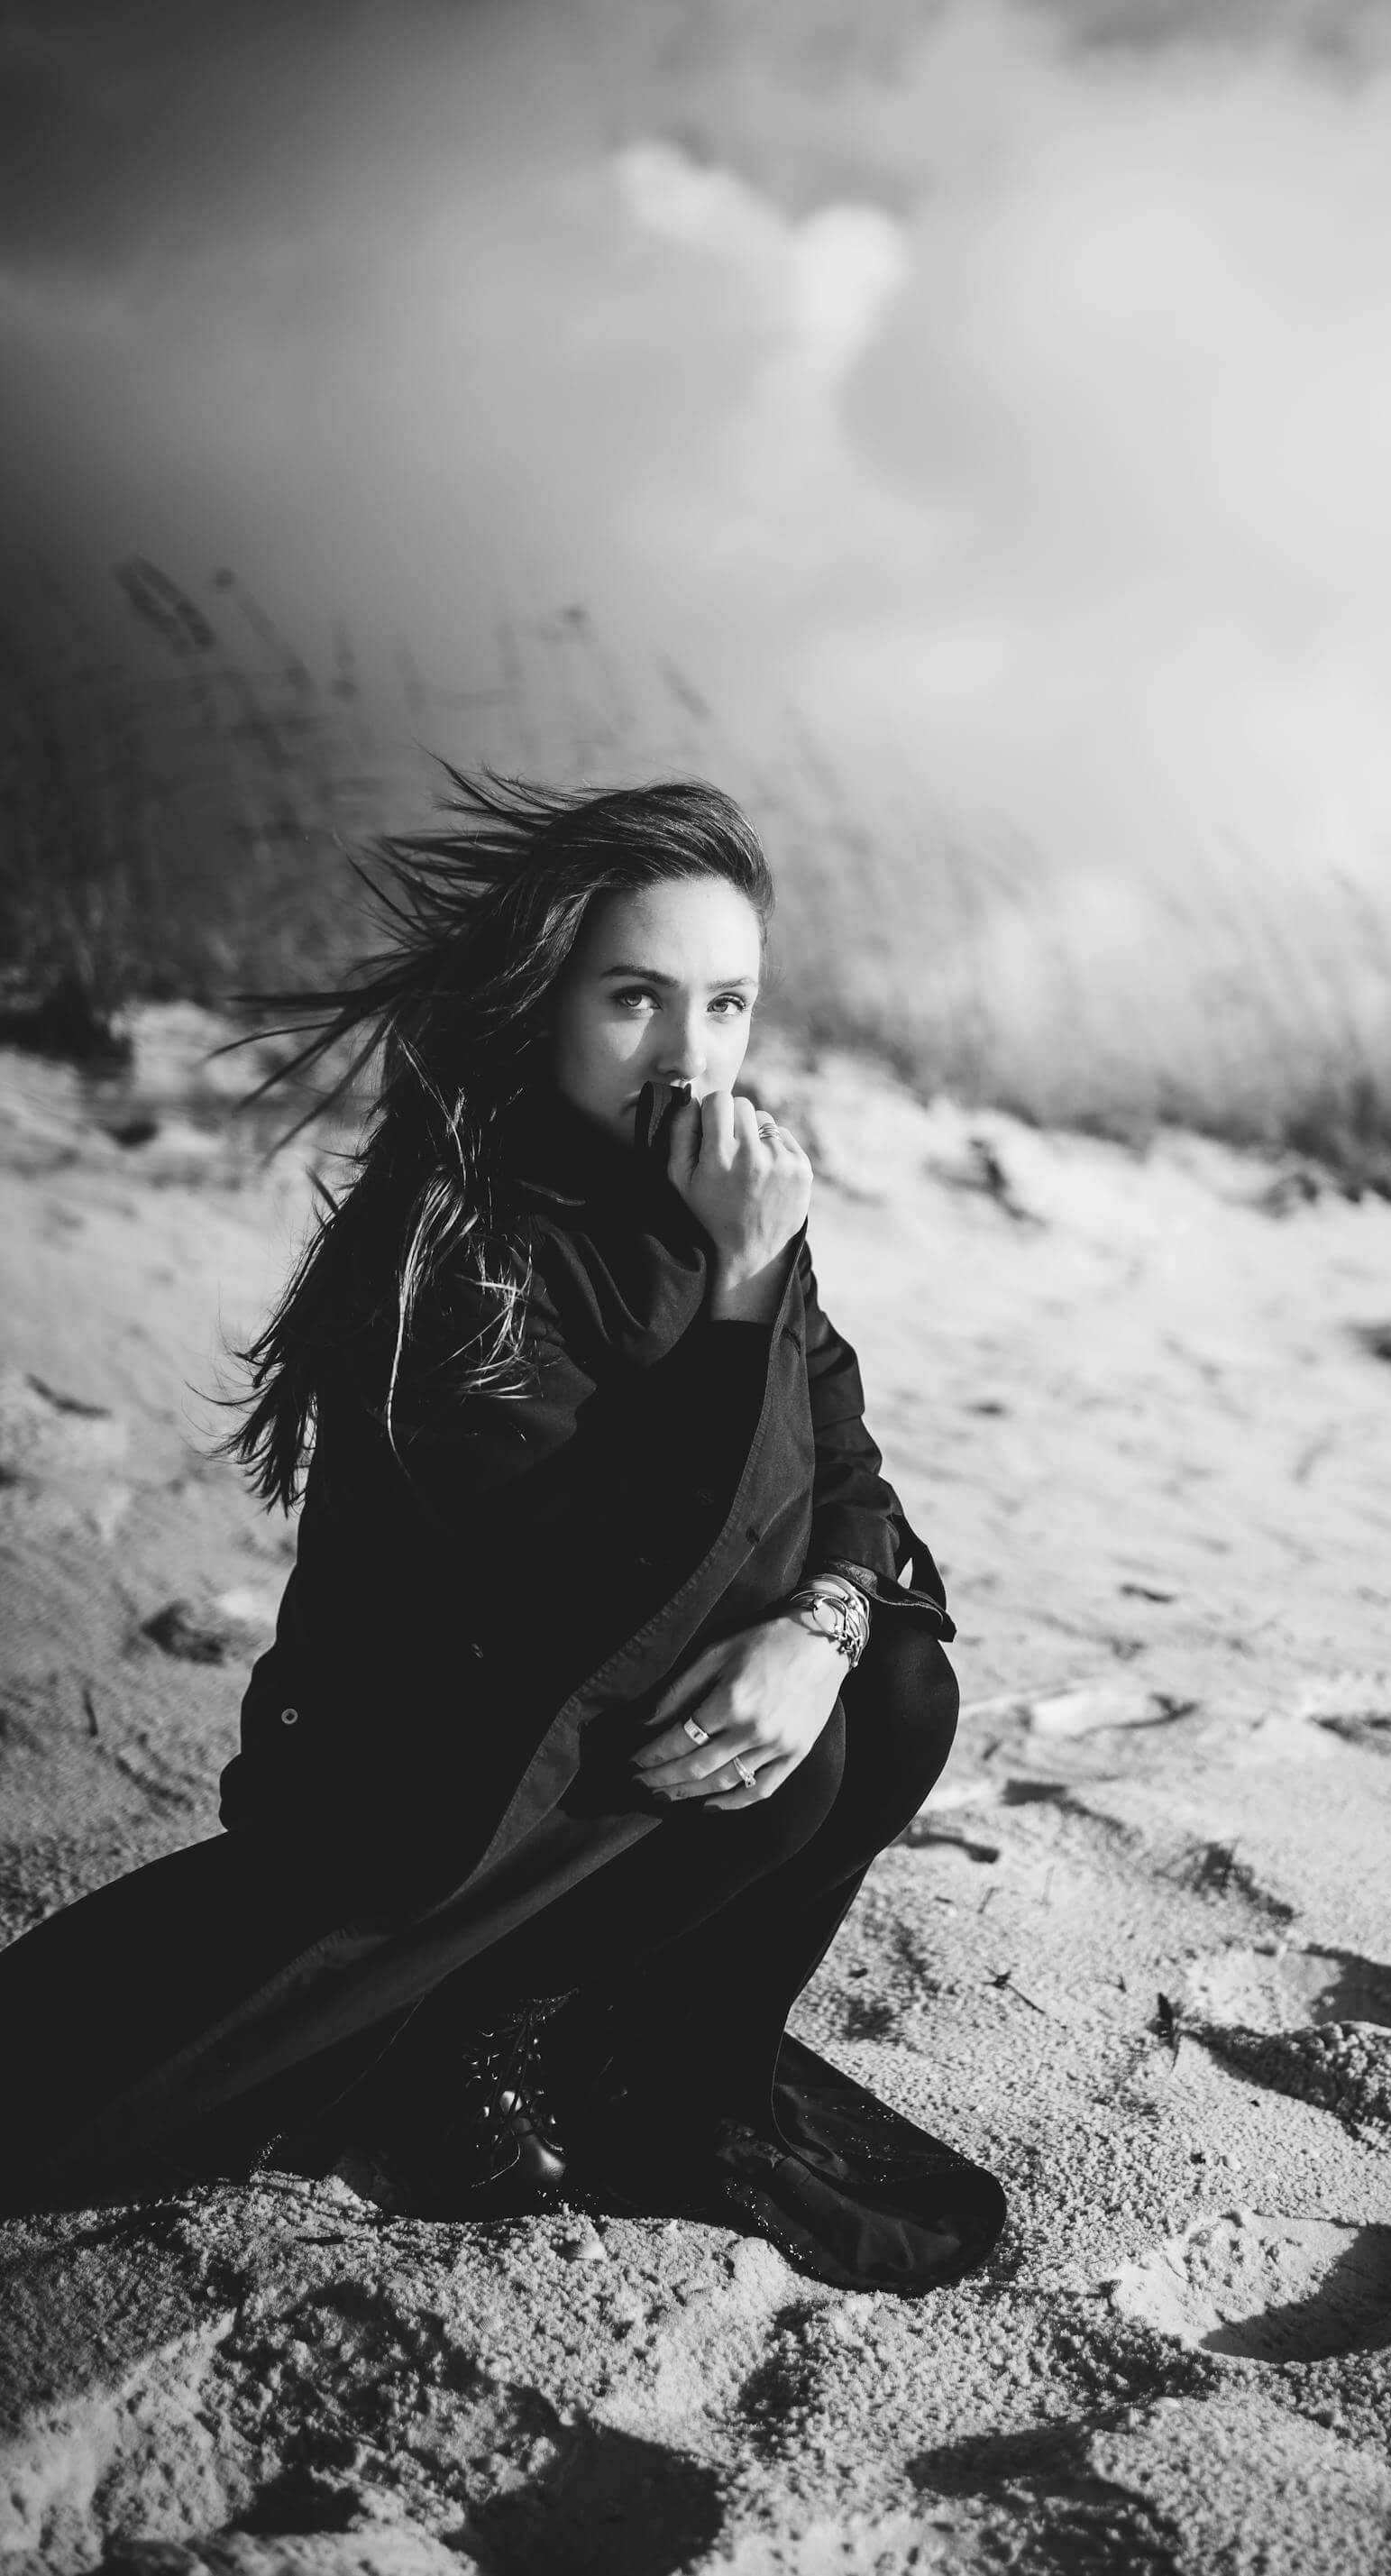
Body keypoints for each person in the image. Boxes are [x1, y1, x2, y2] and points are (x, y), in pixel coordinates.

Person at [0, 775, 1006, 2295]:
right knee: (767, 1787)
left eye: (726, 1003)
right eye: (635, 998)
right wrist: (740, 1298)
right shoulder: (454, 1245)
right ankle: (453, 2040)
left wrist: (824, 1626)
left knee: (896, 1697)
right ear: (545, 999)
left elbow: (843, 1454)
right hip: (451, 1757)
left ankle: (655, 2060)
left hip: (628, 1703)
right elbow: (596, 1589)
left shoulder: (716, 1194)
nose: (690, 1053)